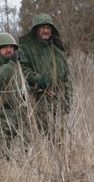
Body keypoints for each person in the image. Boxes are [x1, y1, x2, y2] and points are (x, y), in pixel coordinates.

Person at [19, 13, 72, 141]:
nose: (46, 30)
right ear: (36, 29)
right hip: (36, 101)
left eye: (48, 27)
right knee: (39, 139)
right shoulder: (26, 49)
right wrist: (39, 80)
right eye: (42, 27)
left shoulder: (58, 51)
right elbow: (23, 70)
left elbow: (68, 78)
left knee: (59, 139)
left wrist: (68, 101)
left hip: (58, 102)